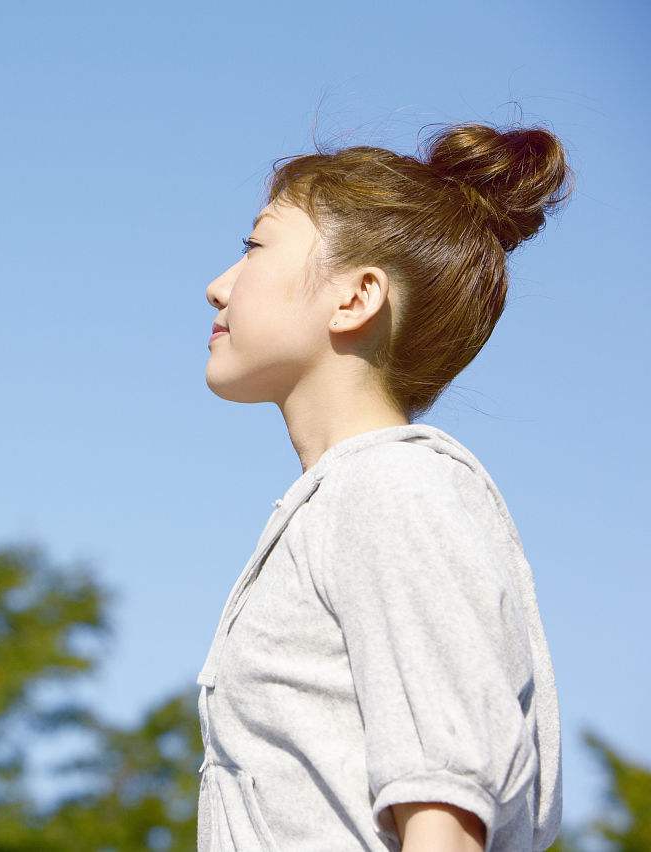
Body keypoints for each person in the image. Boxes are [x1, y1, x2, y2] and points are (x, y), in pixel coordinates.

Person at [196, 121, 574, 851]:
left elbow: (446, 812)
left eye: (254, 248)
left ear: (356, 297)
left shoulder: (394, 488)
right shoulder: (352, 499)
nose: (218, 286)